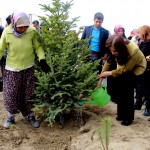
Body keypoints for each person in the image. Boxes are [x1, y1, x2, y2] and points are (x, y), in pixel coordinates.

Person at [0, 11, 50, 128]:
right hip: (12, 69)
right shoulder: (7, 32)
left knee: (28, 94)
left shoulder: (32, 31)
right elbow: (1, 49)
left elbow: (38, 47)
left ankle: (30, 115)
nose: (23, 29)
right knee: (10, 94)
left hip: (28, 68)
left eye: (25, 27)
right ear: (14, 23)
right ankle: (11, 116)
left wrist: (42, 59)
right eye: (20, 27)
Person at [98, 35, 146, 126]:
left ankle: (128, 117)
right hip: (122, 66)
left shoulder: (133, 51)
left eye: (115, 51)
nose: (112, 53)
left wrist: (108, 73)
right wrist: (101, 76)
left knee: (127, 92)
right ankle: (121, 114)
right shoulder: (112, 49)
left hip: (136, 67)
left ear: (121, 48)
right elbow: (109, 61)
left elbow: (126, 69)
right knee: (120, 90)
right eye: (111, 50)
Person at [138, 25, 150, 116]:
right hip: (144, 68)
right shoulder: (144, 42)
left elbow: (141, 54)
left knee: (147, 89)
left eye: (140, 32)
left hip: (148, 69)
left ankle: (148, 108)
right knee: (144, 88)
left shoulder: (148, 42)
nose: (139, 34)